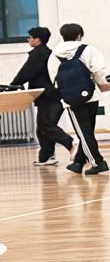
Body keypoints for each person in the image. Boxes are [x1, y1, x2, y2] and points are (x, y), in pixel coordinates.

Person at [47, 24, 110, 177]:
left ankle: (97, 162)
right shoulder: (89, 50)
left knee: (83, 132)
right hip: (91, 95)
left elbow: (53, 77)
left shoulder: (54, 54)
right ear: (79, 35)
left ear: (62, 36)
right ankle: (79, 161)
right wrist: (102, 83)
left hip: (71, 98)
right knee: (87, 131)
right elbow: (98, 70)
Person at [9, 26, 72, 167]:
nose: (28, 39)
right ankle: (46, 157)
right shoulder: (47, 53)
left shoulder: (38, 54)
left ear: (38, 40)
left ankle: (72, 144)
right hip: (52, 96)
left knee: (46, 126)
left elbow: (26, 72)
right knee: (43, 128)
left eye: (30, 37)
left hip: (48, 96)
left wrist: (12, 86)